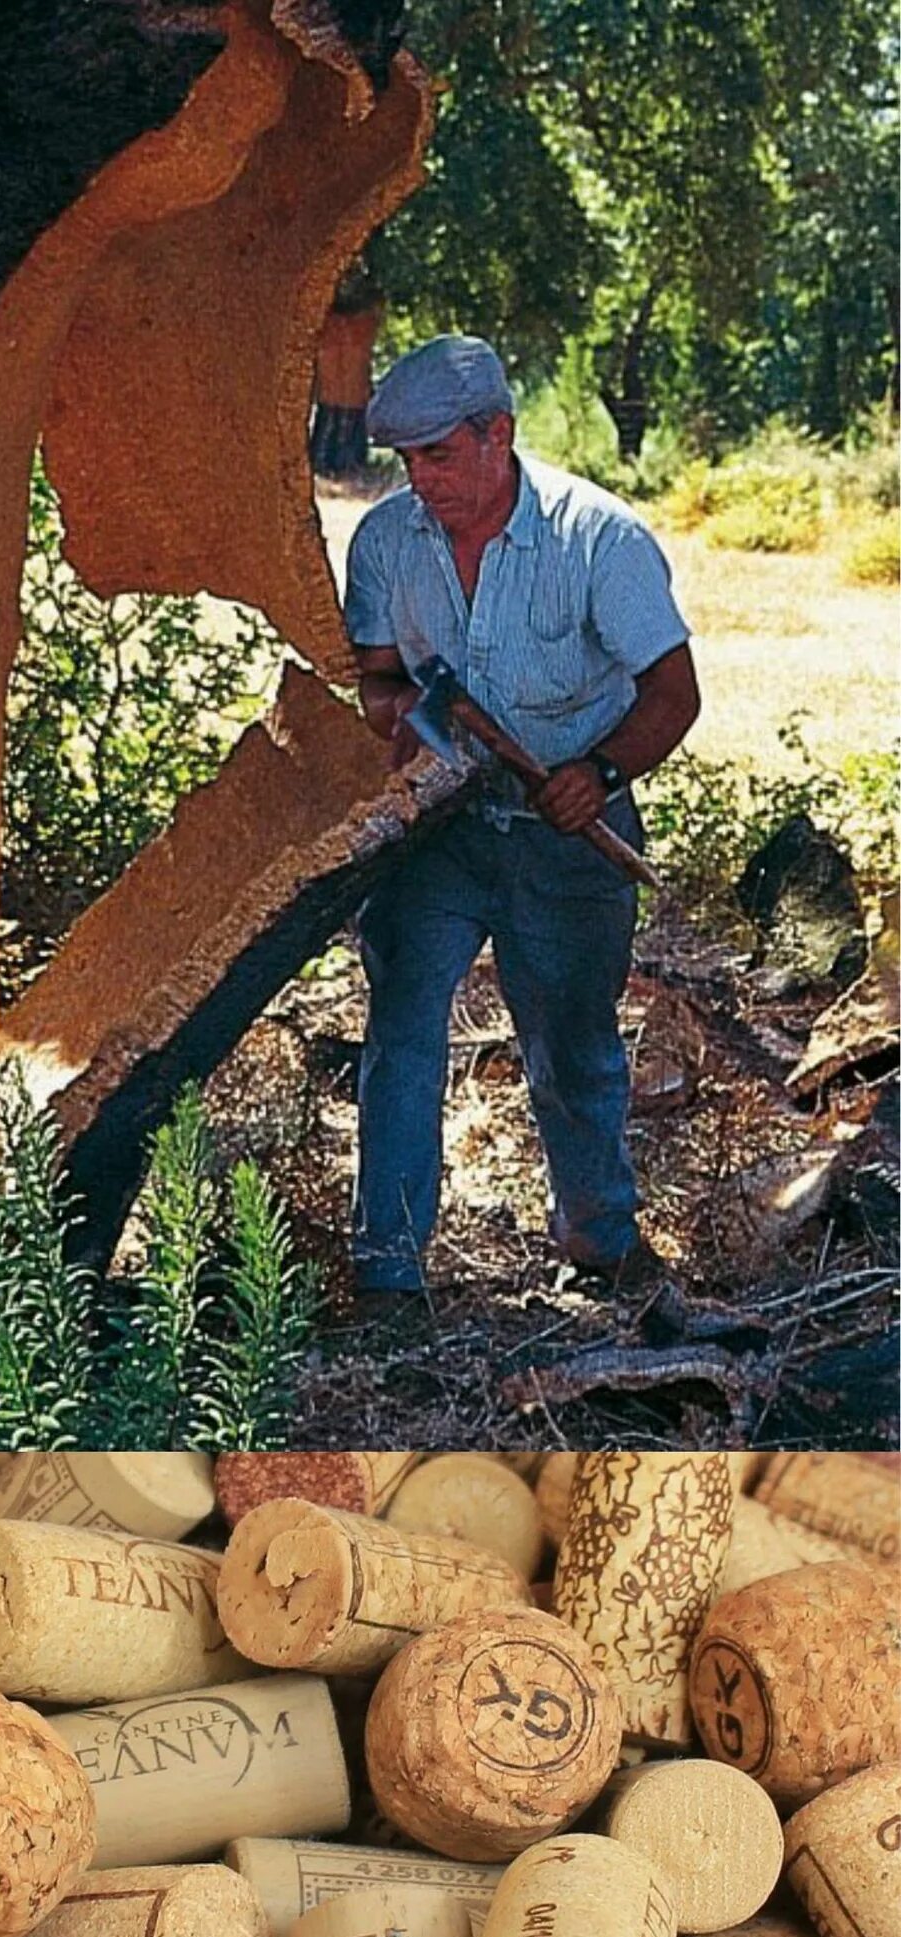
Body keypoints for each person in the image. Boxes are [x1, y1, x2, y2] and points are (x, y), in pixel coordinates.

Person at [341, 334, 702, 1305]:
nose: (421, 480)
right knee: (403, 1029)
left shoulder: (599, 539)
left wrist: (600, 769)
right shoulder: (385, 543)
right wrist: (415, 720)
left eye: (440, 455)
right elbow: (377, 682)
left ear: (498, 433)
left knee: (573, 1043)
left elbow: (674, 693)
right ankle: (387, 1269)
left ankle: (598, 1238)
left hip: (571, 826)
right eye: (408, 460)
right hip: (440, 830)